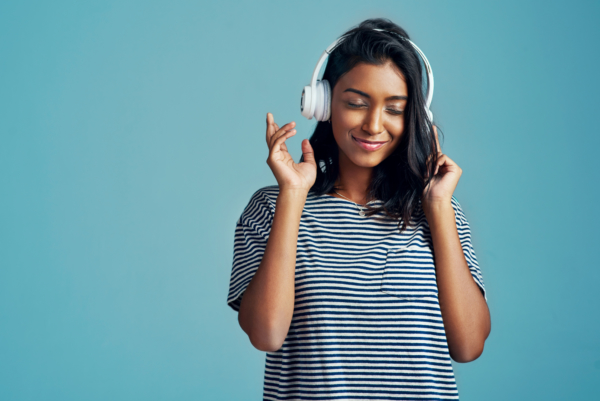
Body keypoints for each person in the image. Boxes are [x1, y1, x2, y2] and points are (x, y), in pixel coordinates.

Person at [227, 17, 491, 400]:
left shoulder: (439, 209)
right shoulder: (272, 206)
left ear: (415, 116)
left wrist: (436, 206)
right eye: (355, 103)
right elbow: (265, 334)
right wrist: (292, 198)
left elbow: (468, 347)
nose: (373, 125)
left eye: (394, 109)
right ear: (321, 103)